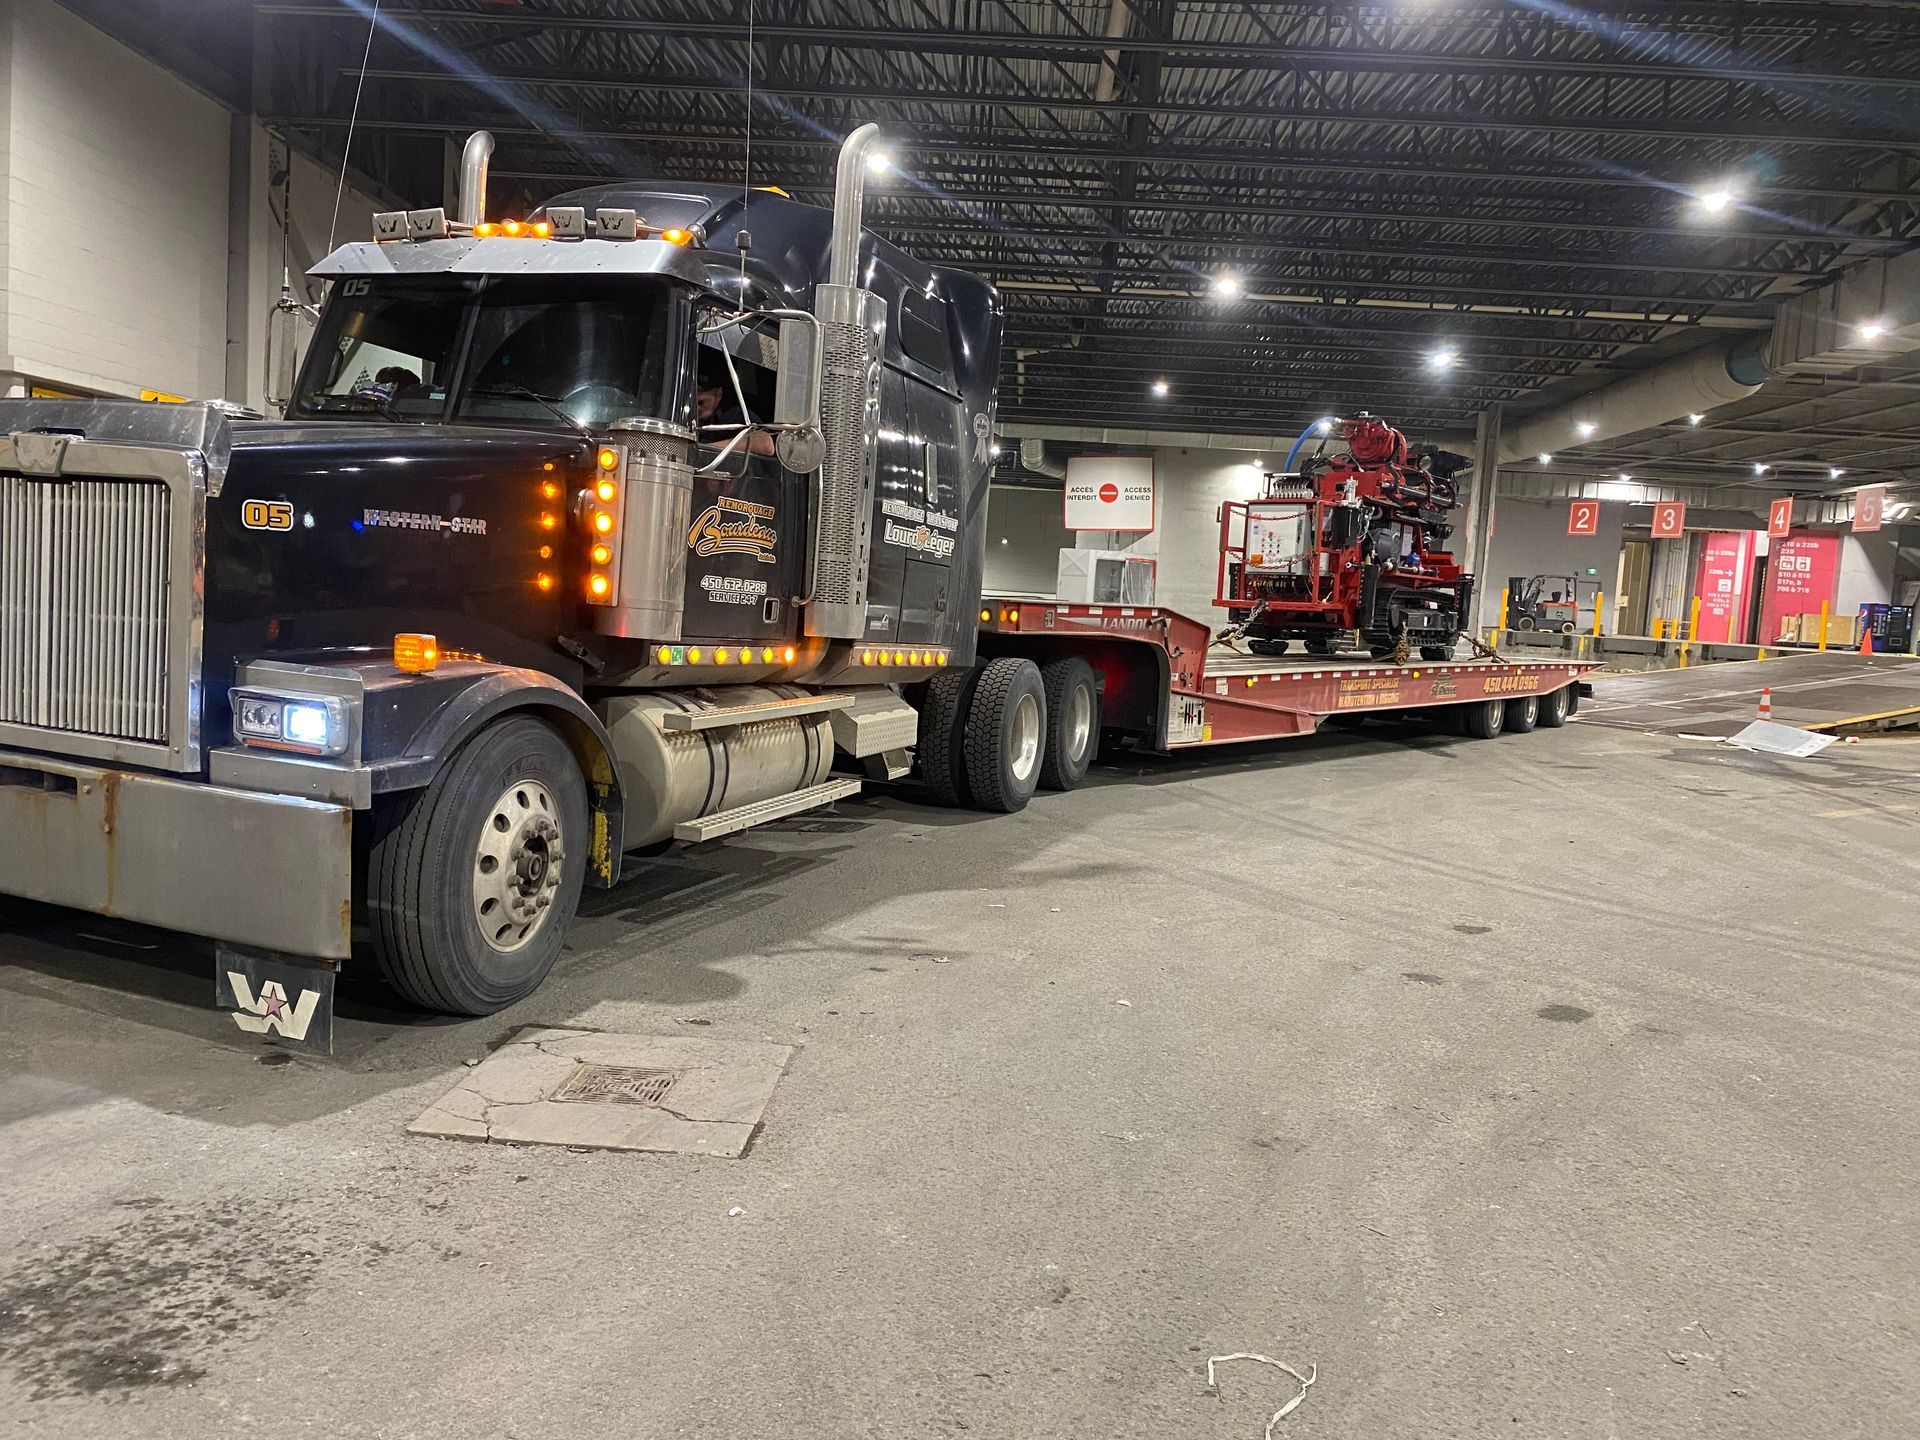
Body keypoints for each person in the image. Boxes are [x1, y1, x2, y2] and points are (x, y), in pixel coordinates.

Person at [696, 357, 776, 458]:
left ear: (718, 394)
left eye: (701, 402)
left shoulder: (734, 416)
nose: (696, 408)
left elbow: (765, 444)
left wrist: (704, 449)